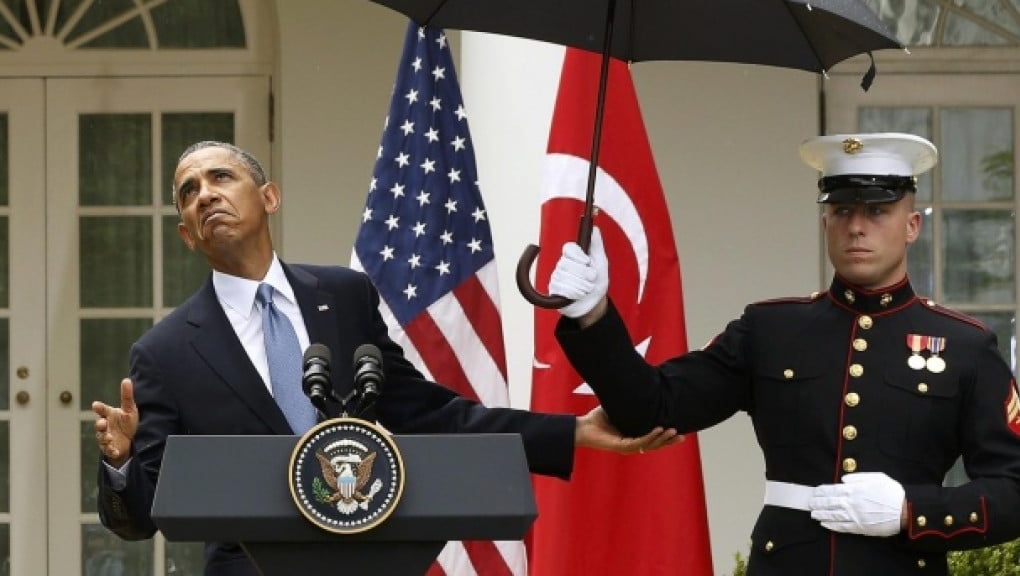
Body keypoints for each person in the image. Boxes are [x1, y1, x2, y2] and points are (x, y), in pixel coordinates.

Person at [91, 140, 677, 575]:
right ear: (187, 234)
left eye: (221, 177)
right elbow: (140, 517)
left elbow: (429, 413)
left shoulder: (343, 298)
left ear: (269, 197)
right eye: (189, 192)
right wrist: (119, 462)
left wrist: (573, 431)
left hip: (369, 557)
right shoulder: (164, 352)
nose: (205, 195)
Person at [548, 132, 1020, 575]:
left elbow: (1013, 491)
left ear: (912, 225)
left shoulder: (965, 346)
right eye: (841, 210)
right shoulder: (771, 330)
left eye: (877, 210)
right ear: (824, 222)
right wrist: (592, 315)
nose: (856, 226)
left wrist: (909, 511)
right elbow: (649, 408)